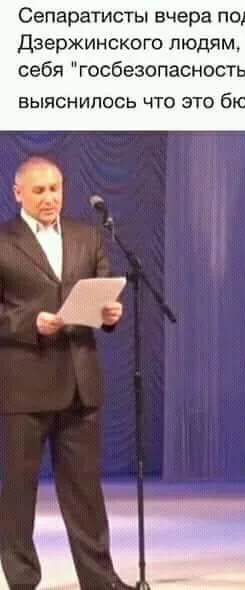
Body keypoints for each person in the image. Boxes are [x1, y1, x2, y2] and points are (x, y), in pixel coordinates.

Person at [0, 156, 134, 589]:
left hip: (79, 383)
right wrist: (29, 322)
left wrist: (110, 314)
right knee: (18, 492)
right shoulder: (3, 240)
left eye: (55, 188)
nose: (49, 197)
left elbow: (101, 290)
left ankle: (99, 580)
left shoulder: (86, 235)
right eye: (39, 190)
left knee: (85, 492)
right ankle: (22, 580)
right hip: (23, 385)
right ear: (18, 193)